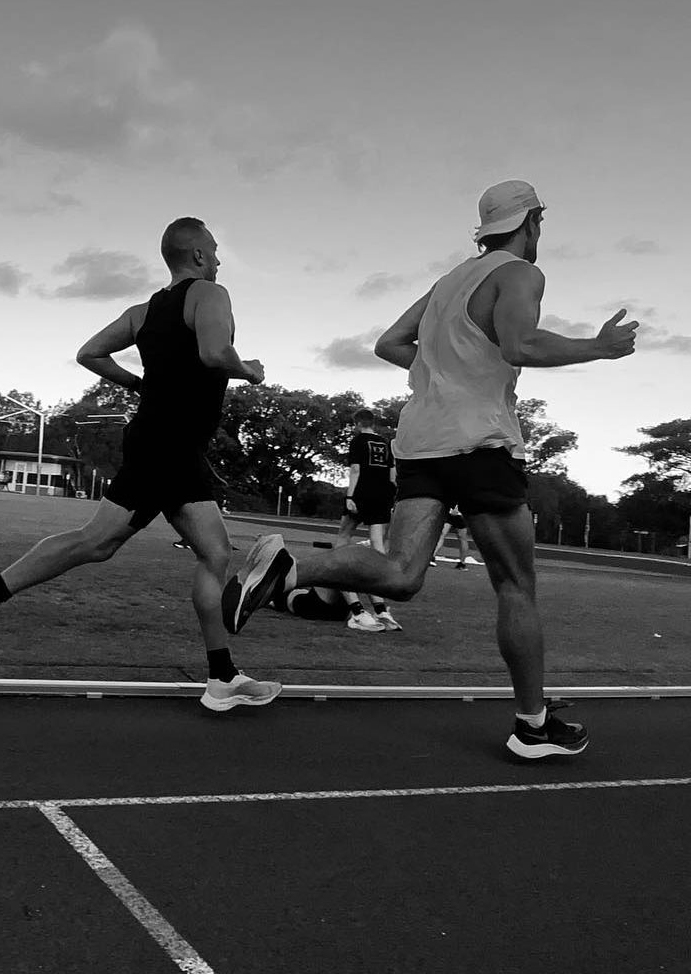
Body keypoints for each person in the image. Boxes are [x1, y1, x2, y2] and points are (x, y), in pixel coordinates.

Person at [222, 180, 637, 758]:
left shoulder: (447, 283)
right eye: (541, 222)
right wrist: (599, 347)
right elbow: (520, 345)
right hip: (481, 445)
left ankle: (291, 569)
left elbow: (389, 343)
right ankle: (533, 726)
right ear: (532, 220)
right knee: (516, 586)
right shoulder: (519, 274)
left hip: (420, 442)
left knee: (402, 574)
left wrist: (447, 369)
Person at [0, 217, 281, 713]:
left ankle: (222, 676)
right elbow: (214, 353)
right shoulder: (212, 294)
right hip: (166, 444)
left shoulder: (141, 313)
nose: (220, 259)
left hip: (172, 443)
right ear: (199, 256)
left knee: (214, 550)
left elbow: (90, 354)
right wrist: (249, 370)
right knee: (97, 541)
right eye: (214, 250)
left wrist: (138, 384)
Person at [335, 408, 401, 632]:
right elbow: (393, 475)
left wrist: (350, 496)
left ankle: (356, 610)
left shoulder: (358, 441)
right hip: (383, 496)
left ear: (357, 423)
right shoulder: (386, 443)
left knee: (342, 539)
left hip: (363, 493)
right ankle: (381, 610)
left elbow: (355, 469)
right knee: (378, 547)